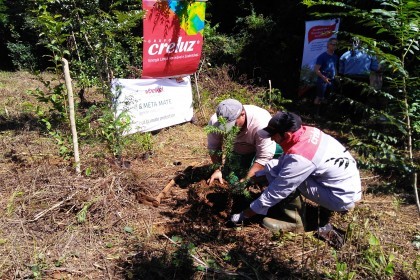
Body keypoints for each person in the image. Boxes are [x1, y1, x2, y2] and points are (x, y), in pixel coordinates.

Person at [230, 111, 362, 234]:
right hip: (344, 186)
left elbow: (277, 190)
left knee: (284, 179)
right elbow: (283, 163)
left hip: (339, 198)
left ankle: (294, 222)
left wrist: (245, 214)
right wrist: (252, 179)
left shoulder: (301, 158)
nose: (271, 139)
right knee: (274, 166)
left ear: (286, 135)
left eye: (273, 136)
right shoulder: (307, 132)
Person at [207, 99, 281, 185]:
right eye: (224, 127)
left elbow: (264, 156)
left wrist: (246, 180)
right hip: (240, 148)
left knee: (269, 173)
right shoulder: (215, 122)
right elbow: (214, 147)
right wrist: (217, 170)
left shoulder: (261, 122)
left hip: (266, 146)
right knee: (231, 178)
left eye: (232, 125)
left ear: (242, 114)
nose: (228, 130)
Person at [313, 38, 338, 113]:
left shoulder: (335, 57)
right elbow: (316, 69)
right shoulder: (322, 56)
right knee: (319, 97)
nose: (334, 46)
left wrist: (336, 77)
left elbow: (335, 68)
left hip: (331, 80)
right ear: (328, 45)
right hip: (322, 80)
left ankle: (322, 114)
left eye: (336, 44)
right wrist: (323, 78)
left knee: (327, 98)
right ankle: (315, 114)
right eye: (333, 44)